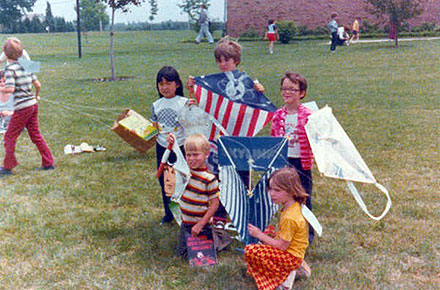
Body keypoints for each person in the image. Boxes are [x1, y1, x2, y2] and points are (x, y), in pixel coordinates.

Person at [245, 167, 309, 290]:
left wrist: (259, 235)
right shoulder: (292, 207)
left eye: (277, 190)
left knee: (251, 251)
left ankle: (285, 275)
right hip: (294, 252)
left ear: (291, 191)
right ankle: (292, 270)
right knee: (259, 248)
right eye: (270, 189)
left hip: (291, 256)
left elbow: (281, 246)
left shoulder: (290, 217)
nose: (272, 194)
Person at [270, 71, 315, 244]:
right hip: (285, 162)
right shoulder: (278, 115)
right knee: (285, 197)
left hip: (301, 162)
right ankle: (286, 230)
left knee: (304, 196)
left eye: (292, 89)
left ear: (301, 93)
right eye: (284, 89)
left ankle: (307, 234)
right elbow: (275, 139)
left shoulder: (308, 115)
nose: (287, 92)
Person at [0, 38, 54, 177]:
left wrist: (2, 89)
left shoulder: (9, 69)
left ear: (5, 54)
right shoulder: (26, 66)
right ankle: (48, 162)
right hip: (33, 105)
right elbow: (38, 85)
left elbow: (10, 89)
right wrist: (35, 96)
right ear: (21, 52)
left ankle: (7, 167)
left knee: (9, 136)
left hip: (22, 108)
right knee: (36, 135)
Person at [151, 66, 189, 224]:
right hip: (162, 148)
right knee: (166, 181)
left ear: (177, 84)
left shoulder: (184, 103)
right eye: (161, 84)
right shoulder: (156, 105)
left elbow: (191, 123)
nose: (165, 87)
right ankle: (168, 213)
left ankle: (187, 210)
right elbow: (153, 127)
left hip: (181, 146)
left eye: (168, 83)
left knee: (183, 178)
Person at [172, 133, 220, 258]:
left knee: (202, 257)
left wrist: (201, 224)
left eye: (196, 154)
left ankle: (220, 239)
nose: (191, 159)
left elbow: (215, 204)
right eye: (188, 155)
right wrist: (172, 144)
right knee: (182, 255)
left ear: (206, 155)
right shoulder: (185, 173)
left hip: (202, 225)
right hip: (186, 223)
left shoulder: (209, 179)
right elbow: (176, 160)